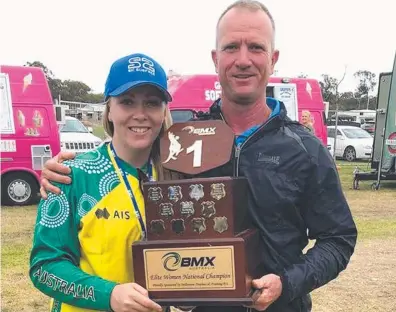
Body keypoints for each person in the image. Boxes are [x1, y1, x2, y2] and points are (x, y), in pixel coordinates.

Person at [39, 1, 358, 312]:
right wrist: (60, 174)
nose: (243, 59)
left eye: (256, 48)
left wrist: (287, 283)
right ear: (215, 58)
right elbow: (124, 153)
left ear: (273, 59)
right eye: (232, 47)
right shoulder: (179, 141)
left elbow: (338, 239)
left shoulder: (304, 148)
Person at [29, 52, 180, 312]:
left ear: (164, 111)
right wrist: (108, 294)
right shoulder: (70, 175)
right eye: (127, 102)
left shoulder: (179, 177)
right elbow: (45, 266)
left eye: (152, 103)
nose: (140, 114)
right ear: (109, 110)